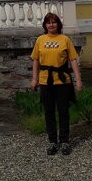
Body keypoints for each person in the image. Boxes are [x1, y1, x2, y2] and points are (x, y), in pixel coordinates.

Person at [30, 12, 83, 155]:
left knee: (63, 111)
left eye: (54, 22)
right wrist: (34, 79)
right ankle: (52, 141)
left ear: (58, 24)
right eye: (48, 22)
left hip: (63, 80)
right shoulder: (41, 40)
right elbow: (36, 60)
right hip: (45, 80)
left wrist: (78, 80)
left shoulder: (65, 39)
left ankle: (64, 140)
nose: (51, 25)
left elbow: (73, 60)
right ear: (45, 25)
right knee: (49, 111)